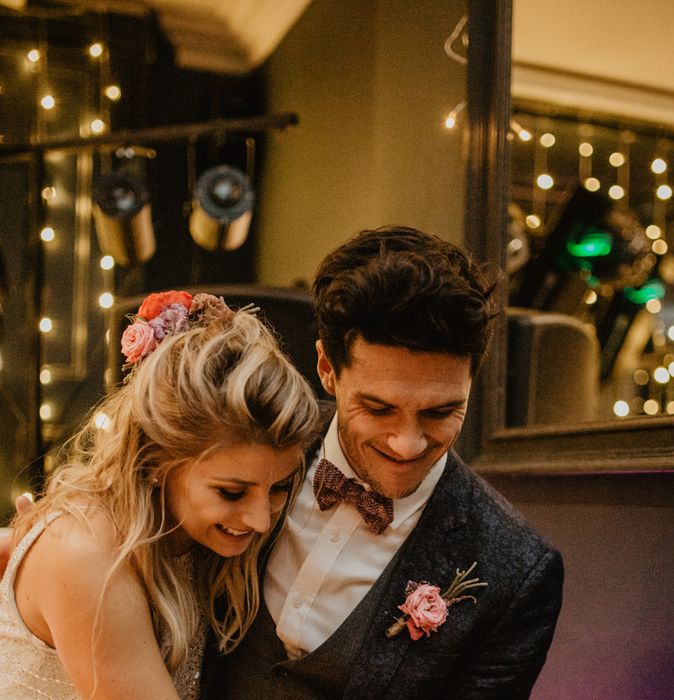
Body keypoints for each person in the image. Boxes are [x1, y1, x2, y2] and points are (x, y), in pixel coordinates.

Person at [201, 226, 564, 698]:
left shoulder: (516, 574)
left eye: (441, 412)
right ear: (327, 369)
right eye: (378, 409)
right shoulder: (250, 442)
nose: (407, 444)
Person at [0, 290, 319, 699]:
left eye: (279, 488)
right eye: (231, 493)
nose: (260, 519)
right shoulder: (88, 556)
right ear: (155, 461)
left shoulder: (189, 535)